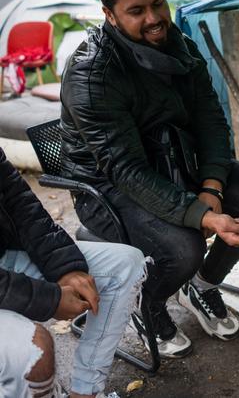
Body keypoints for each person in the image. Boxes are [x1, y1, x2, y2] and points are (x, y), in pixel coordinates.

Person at [60, 0, 239, 358]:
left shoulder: (179, 46)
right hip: (110, 188)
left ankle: (202, 283)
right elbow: (125, 170)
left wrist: (212, 190)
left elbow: (211, 123)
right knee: (184, 244)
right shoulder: (92, 74)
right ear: (108, 14)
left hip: (176, 163)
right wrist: (204, 216)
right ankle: (149, 302)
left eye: (158, 3)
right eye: (137, 11)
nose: (154, 18)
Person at [0, 147, 146, 398]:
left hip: (7, 255)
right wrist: (51, 298)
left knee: (124, 264)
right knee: (33, 352)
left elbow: (20, 202)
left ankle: (85, 392)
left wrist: (66, 268)